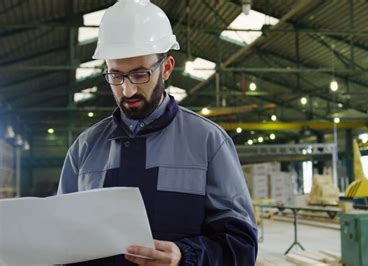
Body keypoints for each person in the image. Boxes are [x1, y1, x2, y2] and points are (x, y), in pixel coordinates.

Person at [57, 0, 258, 265]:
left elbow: (241, 247)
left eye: (140, 74)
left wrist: (184, 257)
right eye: (116, 76)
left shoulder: (208, 142)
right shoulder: (84, 149)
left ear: (166, 67)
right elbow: (61, 237)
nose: (127, 90)